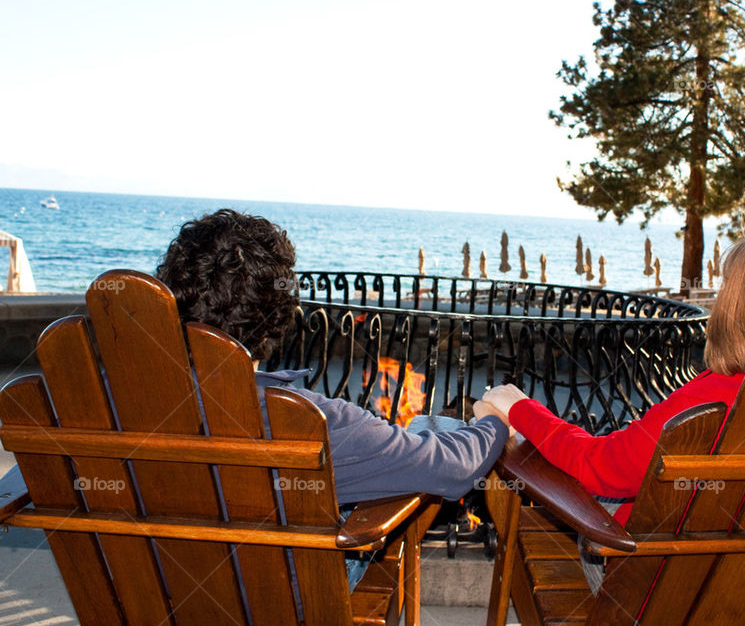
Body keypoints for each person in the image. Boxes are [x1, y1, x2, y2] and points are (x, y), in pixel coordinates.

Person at [479, 221, 745, 592]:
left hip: (661, 589)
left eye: (727, 287)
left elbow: (600, 467)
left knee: (554, 502)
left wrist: (521, 410)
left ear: (743, 305)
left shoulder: (716, 399)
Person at [156, 208, 509, 589]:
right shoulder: (308, 421)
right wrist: (494, 421)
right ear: (278, 315)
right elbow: (451, 468)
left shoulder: (108, 400)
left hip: (152, 589)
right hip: (283, 604)